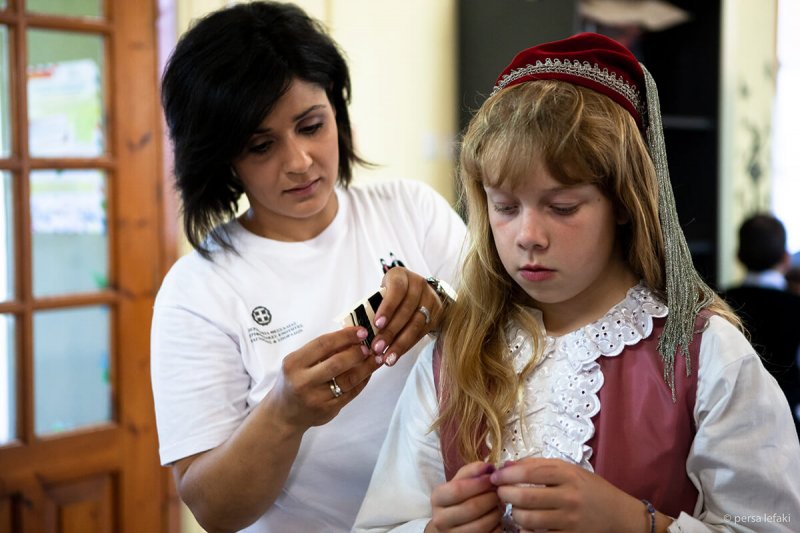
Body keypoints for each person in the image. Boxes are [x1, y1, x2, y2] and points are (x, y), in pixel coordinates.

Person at [354, 33, 800, 532]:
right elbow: (383, 521)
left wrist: (636, 523)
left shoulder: (705, 354)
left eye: (562, 207)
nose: (527, 236)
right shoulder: (455, 355)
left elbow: (774, 521)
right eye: (504, 207)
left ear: (625, 204)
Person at [150, 2, 467, 532]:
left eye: (311, 125)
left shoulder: (412, 210)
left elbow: (512, 336)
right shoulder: (198, 290)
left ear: (336, 112)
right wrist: (285, 412)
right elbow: (213, 508)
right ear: (222, 157)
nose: (298, 161)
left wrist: (442, 305)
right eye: (261, 144)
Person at [721, 214, 800, 437]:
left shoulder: (719, 303)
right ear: (786, 258)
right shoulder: (795, 307)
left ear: (738, 255)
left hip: (730, 428)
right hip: (787, 428)